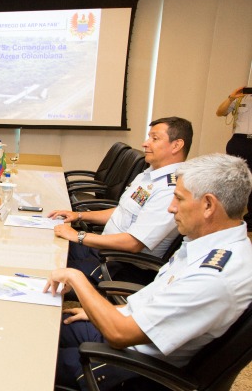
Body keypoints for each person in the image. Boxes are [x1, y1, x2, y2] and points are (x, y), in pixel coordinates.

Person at [47, 153, 252, 390]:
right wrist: (107, 309)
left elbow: (119, 334)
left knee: (23, 351)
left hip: (126, 365)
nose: (171, 208)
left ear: (208, 205)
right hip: (129, 332)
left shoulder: (214, 277)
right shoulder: (210, 244)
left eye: (179, 199)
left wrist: (77, 278)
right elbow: (157, 301)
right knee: (38, 323)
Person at [49, 117, 193, 285]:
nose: (145, 143)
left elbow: (133, 244)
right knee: (47, 245)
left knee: (45, 269)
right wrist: (78, 215)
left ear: (176, 145)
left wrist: (79, 235)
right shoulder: (150, 176)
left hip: (118, 266)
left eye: (154, 138)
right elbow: (122, 211)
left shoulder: (169, 190)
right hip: (101, 249)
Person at [216, 86, 252, 231]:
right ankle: (228, 216)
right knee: (234, 179)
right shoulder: (240, 98)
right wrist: (232, 96)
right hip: (239, 140)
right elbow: (220, 112)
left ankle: (250, 220)